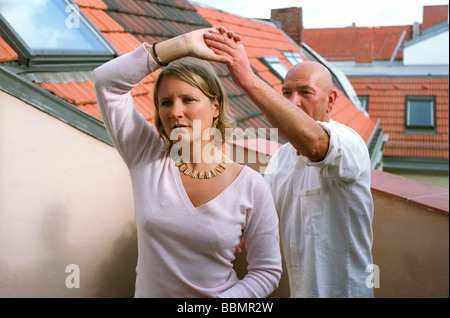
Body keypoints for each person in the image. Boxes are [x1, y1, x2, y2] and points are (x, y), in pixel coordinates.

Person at [93, 28, 282, 298]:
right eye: (165, 102)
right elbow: (106, 82)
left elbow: (267, 271)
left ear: (215, 107)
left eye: (188, 100)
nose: (175, 112)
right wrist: (182, 44)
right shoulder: (146, 156)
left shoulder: (253, 187)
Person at [205, 27, 374, 298]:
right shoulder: (281, 159)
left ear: (330, 101)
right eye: (286, 93)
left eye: (305, 92)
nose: (294, 102)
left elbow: (314, 144)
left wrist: (247, 78)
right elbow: (260, 215)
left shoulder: (349, 143)